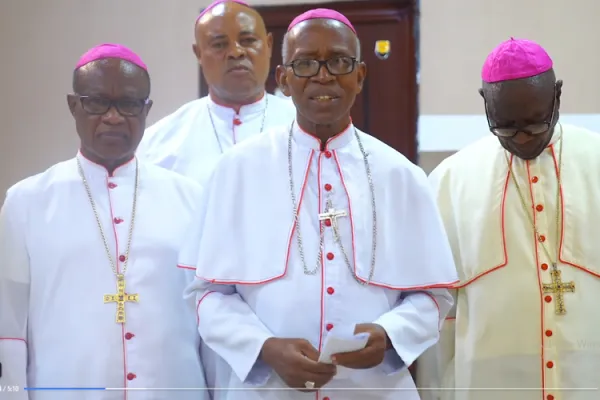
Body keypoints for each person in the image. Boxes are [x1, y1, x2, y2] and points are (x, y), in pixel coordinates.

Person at [179, 8, 458, 400]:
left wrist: (393, 335)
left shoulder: (400, 175)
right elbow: (208, 294)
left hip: (374, 390)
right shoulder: (236, 172)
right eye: (306, 63)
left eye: (339, 62)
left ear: (360, 76)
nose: (323, 76)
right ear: (284, 79)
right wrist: (264, 348)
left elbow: (434, 295)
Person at [0, 43, 208, 400]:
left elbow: (210, 317)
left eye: (128, 104)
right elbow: (9, 328)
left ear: (147, 110)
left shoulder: (191, 198)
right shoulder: (26, 201)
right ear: (74, 106)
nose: (113, 117)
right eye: (97, 102)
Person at [420, 38, 600, 400]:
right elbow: (437, 313)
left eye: (535, 125)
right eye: (505, 127)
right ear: (485, 104)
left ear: (558, 97)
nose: (521, 139)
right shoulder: (449, 182)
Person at [137, 0, 296, 184]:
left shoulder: (303, 125)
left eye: (248, 40)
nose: (236, 52)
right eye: (219, 44)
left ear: (268, 45)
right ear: (199, 54)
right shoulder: (156, 145)